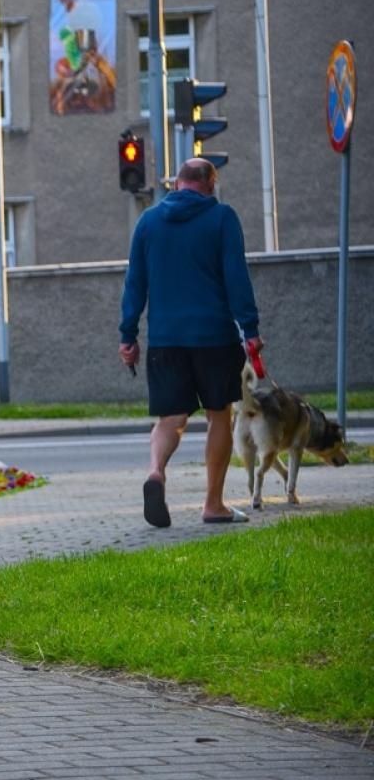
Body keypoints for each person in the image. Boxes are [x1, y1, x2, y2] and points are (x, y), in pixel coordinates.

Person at [119, 157, 262, 528]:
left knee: (172, 418)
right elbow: (236, 276)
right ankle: (213, 505)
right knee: (219, 415)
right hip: (214, 337)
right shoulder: (222, 218)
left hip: (166, 340)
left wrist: (128, 336)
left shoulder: (148, 221)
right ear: (211, 185)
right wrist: (250, 328)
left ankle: (155, 472)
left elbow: (135, 283)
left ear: (177, 183)